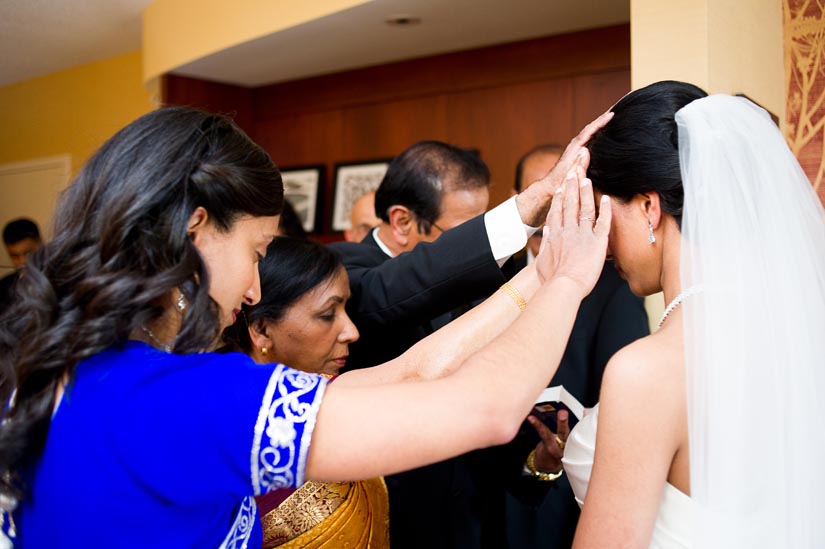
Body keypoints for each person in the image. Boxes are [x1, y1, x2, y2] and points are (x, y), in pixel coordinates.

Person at [0, 106, 612, 548]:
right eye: (258, 251)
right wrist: (567, 284)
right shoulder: (186, 395)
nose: (256, 288)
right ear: (195, 229)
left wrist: (542, 270)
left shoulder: (60, 375)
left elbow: (413, 371)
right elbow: (486, 411)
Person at [562, 81, 825, 548]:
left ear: (648, 208)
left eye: (606, 213)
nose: (601, 244)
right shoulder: (801, 336)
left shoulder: (647, 371)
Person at [501, 145, 649, 549]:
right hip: (481, 499)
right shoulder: (491, 278)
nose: (556, 202)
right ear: (520, 194)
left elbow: (622, 407)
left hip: (562, 501)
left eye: (567, 189)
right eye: (545, 191)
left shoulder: (613, 287)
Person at [221, 236, 386, 548]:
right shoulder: (226, 415)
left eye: (346, 310)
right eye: (327, 314)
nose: (352, 332)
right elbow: (423, 370)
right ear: (261, 329)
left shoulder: (325, 391)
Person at [0, 218, 42, 311]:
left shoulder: (61, 279)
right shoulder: (4, 287)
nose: (21, 262)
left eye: (28, 253)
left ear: (40, 245)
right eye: (14, 256)